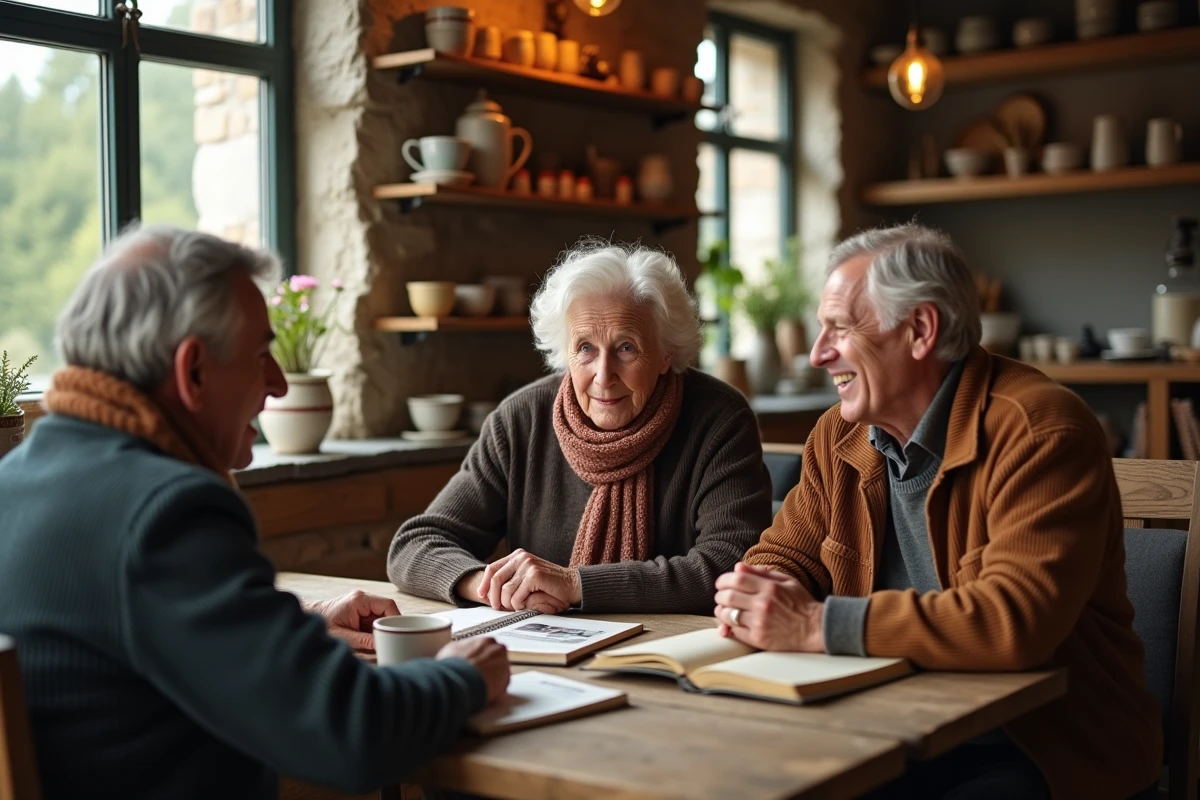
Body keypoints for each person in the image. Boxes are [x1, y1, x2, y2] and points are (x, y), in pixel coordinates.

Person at [0, 224, 509, 799]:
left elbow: (127, 629)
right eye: (262, 354)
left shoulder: (15, 480)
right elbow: (354, 732)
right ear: (192, 371)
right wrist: (465, 673)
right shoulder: (166, 512)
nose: (278, 384)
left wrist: (298, 621)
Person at [713, 224, 1160, 799]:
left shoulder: (1040, 430)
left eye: (840, 329)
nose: (819, 353)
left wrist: (812, 624)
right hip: (884, 724)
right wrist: (761, 591)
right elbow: (784, 552)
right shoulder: (838, 435)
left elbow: (1012, 622)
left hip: (1043, 750)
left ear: (920, 330)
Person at [389, 241, 772, 614]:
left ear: (665, 353)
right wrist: (488, 585)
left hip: (675, 654)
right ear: (564, 351)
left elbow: (731, 565)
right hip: (545, 652)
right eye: (585, 348)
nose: (603, 376)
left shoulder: (719, 419)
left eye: (626, 348)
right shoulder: (520, 421)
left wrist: (576, 584)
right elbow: (417, 543)